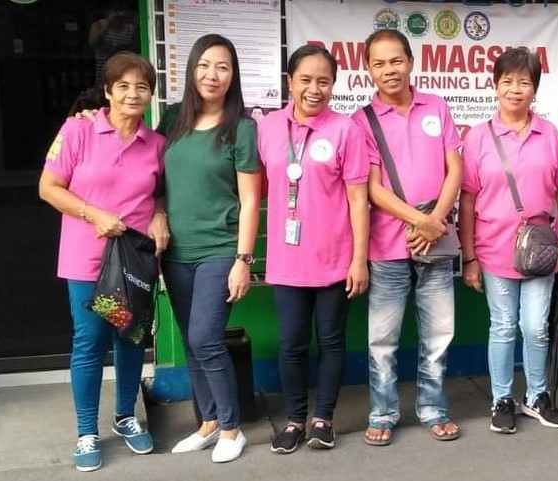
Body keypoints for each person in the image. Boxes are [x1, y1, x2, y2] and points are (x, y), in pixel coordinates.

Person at [38, 52, 166, 472]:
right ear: (108, 91)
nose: (133, 94)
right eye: (124, 85)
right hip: (88, 264)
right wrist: (93, 214)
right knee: (89, 344)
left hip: (131, 265)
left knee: (128, 339)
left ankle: (126, 416)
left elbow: (161, 192)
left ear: (150, 94)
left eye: (141, 87)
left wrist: (160, 216)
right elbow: (49, 188)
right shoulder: (79, 130)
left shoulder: (155, 144)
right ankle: (86, 431)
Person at [350, 29, 462, 445]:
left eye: (395, 61)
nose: (389, 70)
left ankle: (433, 408)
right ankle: (382, 412)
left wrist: (435, 221)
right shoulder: (363, 121)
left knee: (439, 334)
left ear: (410, 61)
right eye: (378, 63)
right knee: (382, 339)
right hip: (387, 248)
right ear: (368, 70)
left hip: (435, 243)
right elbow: (372, 189)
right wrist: (424, 220)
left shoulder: (437, 106)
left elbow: (456, 170)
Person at [257, 44, 370, 454]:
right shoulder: (267, 127)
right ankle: (293, 420)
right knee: (291, 342)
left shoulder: (345, 130)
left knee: (332, 341)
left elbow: (359, 199)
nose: (314, 89)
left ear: (333, 85)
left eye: (323, 81)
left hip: (336, 258)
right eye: (305, 79)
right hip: (288, 260)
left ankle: (323, 419)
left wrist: (359, 259)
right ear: (290, 82)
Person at [157, 34, 261, 463]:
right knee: (189, 340)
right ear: (191, 70)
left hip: (221, 249)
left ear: (233, 75)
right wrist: (159, 214)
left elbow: (252, 199)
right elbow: (155, 181)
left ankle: (232, 429)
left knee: (206, 337)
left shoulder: (242, 127)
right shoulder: (171, 121)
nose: (212, 74)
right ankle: (208, 423)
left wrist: (243, 261)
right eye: (204, 65)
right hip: (177, 252)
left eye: (222, 67)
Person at [459, 47, 558, 435]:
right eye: (507, 81)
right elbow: (468, 199)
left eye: (524, 82)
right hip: (494, 249)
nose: (515, 89)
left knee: (536, 327)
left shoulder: (549, 134)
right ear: (494, 86)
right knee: (503, 326)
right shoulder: (477, 137)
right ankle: (501, 399)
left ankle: (538, 396)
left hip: (541, 251)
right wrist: (469, 256)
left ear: (535, 89)